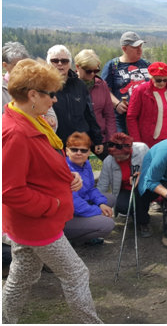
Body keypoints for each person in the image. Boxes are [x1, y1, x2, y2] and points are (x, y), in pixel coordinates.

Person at [2, 58, 101, 323]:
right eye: (50, 94)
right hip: (37, 224)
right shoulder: (16, 133)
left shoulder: (31, 120)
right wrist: (53, 205)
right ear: (33, 95)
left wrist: (65, 177)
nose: (54, 100)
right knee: (76, 274)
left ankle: (5, 319)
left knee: (22, 275)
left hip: (30, 223)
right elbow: (10, 190)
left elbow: (38, 165)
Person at [47, 45, 104, 153]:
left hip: (79, 146)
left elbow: (89, 114)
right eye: (55, 60)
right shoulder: (43, 86)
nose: (60, 64)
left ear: (70, 63)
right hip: (55, 145)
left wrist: (97, 139)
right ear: (48, 62)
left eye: (64, 61)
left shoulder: (80, 85)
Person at [64, 132, 115, 245]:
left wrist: (101, 203)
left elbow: (91, 189)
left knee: (109, 199)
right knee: (107, 224)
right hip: (67, 216)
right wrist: (97, 211)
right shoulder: (65, 169)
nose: (79, 153)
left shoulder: (86, 164)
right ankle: (75, 240)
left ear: (88, 152)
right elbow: (74, 204)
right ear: (67, 151)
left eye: (83, 150)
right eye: (74, 149)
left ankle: (87, 229)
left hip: (81, 204)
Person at [101, 31, 150, 133]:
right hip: (122, 118)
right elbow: (104, 90)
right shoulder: (113, 66)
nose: (139, 50)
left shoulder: (146, 64)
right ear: (124, 48)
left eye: (140, 46)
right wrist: (117, 104)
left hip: (145, 117)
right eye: (135, 47)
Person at [126, 61, 167, 148]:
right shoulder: (140, 91)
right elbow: (131, 117)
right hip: (150, 140)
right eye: (158, 80)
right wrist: (138, 142)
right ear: (151, 77)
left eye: (165, 80)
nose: (162, 83)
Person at [74, 49, 117, 154]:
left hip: (100, 136)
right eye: (88, 71)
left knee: (114, 163)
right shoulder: (71, 86)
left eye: (96, 71)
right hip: (78, 138)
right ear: (77, 67)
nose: (92, 74)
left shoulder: (101, 85)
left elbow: (109, 114)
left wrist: (110, 140)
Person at [96, 132, 149, 217]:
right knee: (123, 207)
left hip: (142, 186)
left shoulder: (142, 149)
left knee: (141, 199)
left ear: (130, 151)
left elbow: (151, 169)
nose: (118, 159)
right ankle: (132, 211)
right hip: (125, 190)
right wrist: (99, 203)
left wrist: (141, 176)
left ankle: (143, 221)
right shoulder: (108, 161)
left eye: (121, 157)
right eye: (115, 157)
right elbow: (102, 185)